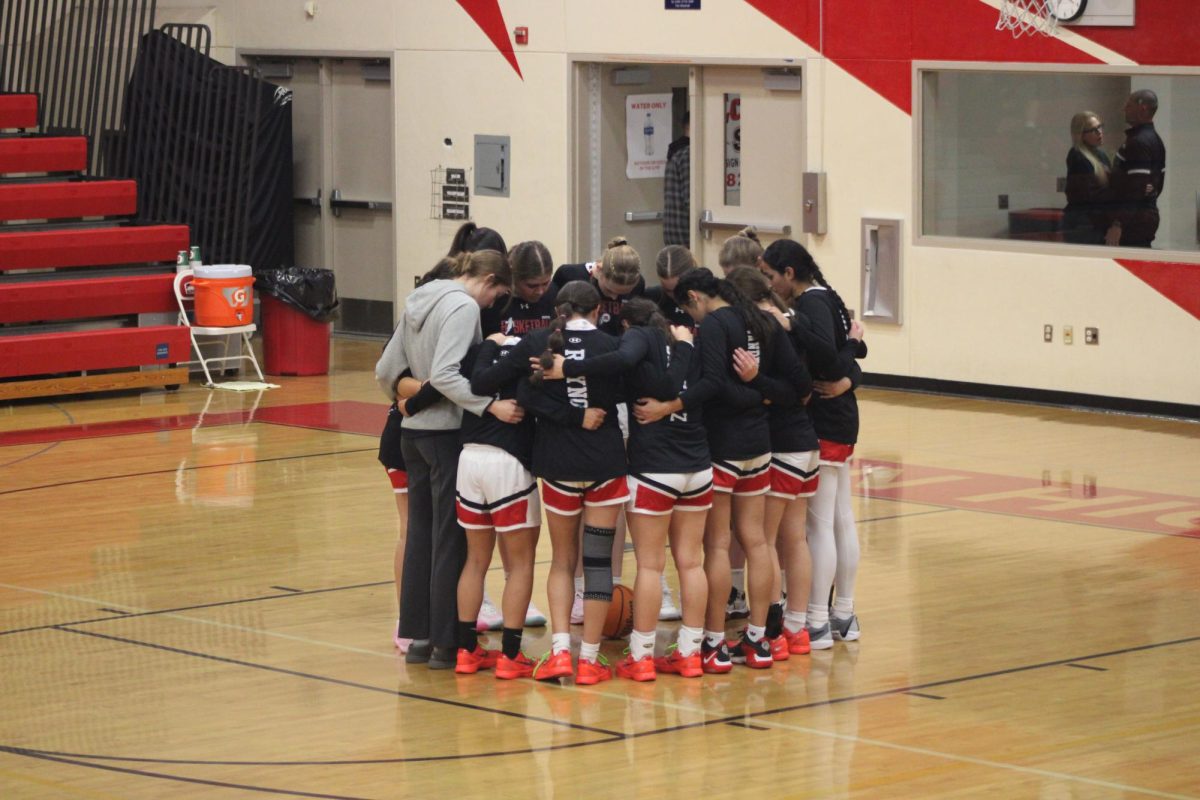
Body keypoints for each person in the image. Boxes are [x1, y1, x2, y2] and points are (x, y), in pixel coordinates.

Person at [637, 268, 804, 671]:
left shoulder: (713, 324)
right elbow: (796, 387)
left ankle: (713, 643)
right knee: (758, 542)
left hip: (724, 447)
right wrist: (760, 390)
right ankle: (759, 640)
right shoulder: (763, 320)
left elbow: (711, 384)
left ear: (695, 297)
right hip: (759, 448)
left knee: (715, 546)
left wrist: (669, 407)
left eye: (688, 310)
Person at [542, 298, 710, 680]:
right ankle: (690, 651)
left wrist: (569, 367)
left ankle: (642, 655)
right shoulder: (689, 345)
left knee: (650, 564)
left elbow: (624, 372)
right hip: (699, 466)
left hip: (655, 468)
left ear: (630, 327)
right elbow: (709, 388)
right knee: (691, 561)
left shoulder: (635, 349)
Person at [472, 280, 628, 685]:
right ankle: (590, 659)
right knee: (595, 563)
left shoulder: (538, 342)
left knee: (561, 560)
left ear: (557, 309)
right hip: (605, 463)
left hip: (558, 463)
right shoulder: (612, 346)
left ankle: (560, 653)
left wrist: (566, 414)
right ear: (597, 311)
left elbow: (523, 396)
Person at [375, 249, 514, 669]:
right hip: (445, 434)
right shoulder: (462, 307)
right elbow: (449, 375)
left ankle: (417, 639)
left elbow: (385, 370)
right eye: (497, 296)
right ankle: (445, 642)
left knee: (419, 535)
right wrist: (488, 405)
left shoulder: (421, 297)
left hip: (412, 437)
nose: (491, 306)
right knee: (449, 537)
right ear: (487, 280)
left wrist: (410, 404)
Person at [759, 239, 866, 651]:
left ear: (789, 274)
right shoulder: (824, 299)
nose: (769, 284)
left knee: (821, 523)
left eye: (771, 276)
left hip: (826, 419)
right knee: (839, 518)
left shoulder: (811, 306)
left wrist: (794, 326)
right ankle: (843, 613)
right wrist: (852, 355)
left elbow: (833, 358)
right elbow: (849, 353)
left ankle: (818, 619)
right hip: (839, 416)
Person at [725, 266, 818, 660]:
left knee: (763, 541)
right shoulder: (782, 319)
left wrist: (758, 382)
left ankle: (769, 630)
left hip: (783, 445)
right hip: (805, 443)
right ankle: (796, 629)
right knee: (793, 538)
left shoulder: (763, 329)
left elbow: (798, 390)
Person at [453, 331, 541, 679]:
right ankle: (510, 655)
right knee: (520, 564)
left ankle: (466, 650)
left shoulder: (477, 357)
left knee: (475, 560)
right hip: (507, 465)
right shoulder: (530, 365)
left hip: (469, 460)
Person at [552, 237, 646, 337]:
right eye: (609, 290)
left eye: (623, 294)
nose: (614, 297)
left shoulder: (639, 285)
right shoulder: (570, 275)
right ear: (599, 270)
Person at [1107, 89, 1166, 248]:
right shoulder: (1154, 140)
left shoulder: (1139, 142)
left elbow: (1136, 187)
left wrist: (1118, 224)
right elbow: (1156, 185)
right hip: (1143, 217)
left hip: (1133, 223)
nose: (1124, 109)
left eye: (1128, 105)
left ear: (1142, 108)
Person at [1062, 111, 1113, 245]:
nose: (1099, 132)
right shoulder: (1077, 156)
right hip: (1084, 224)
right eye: (1093, 130)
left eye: (1100, 127)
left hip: (1097, 221)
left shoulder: (1101, 155)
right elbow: (1087, 195)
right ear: (1081, 135)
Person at [644, 245, 697, 329]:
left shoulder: (705, 300)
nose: (675, 295)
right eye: (668, 291)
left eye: (679, 289)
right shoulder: (650, 298)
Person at [663, 111, 690, 248]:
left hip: (674, 233)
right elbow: (691, 200)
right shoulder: (688, 154)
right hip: (687, 235)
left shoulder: (675, 153)